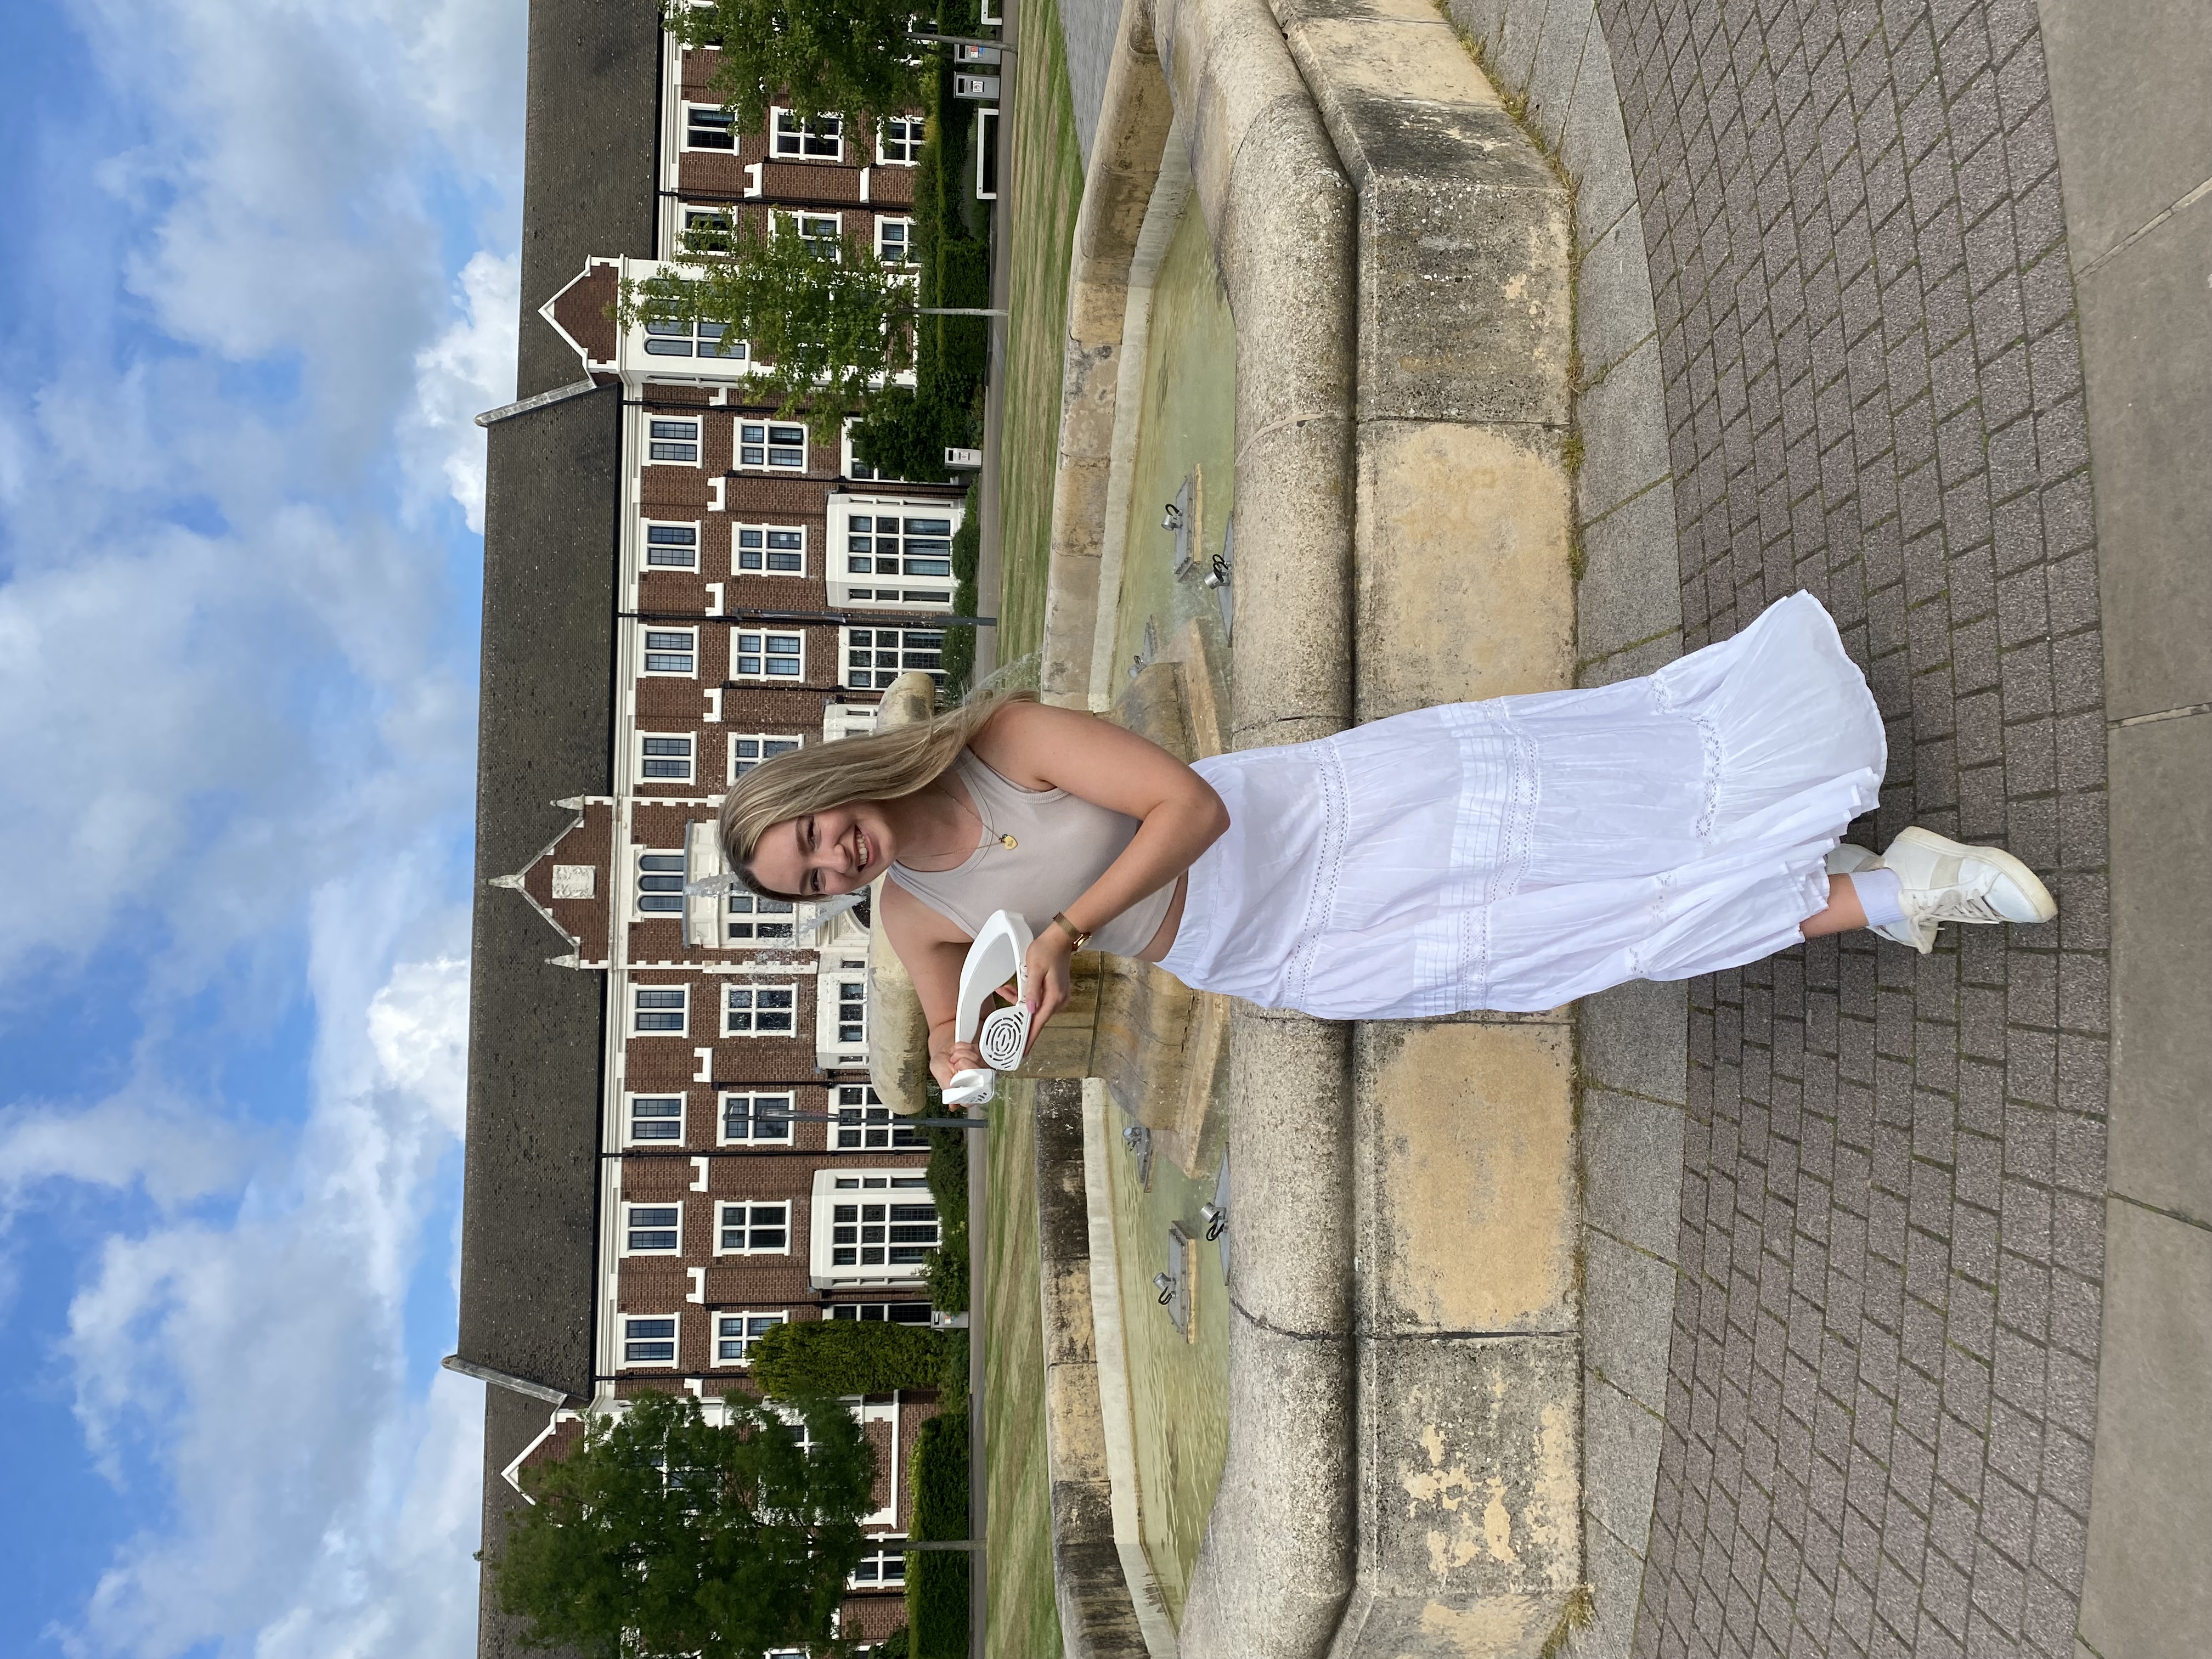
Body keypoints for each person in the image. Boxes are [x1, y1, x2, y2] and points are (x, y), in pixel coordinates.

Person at [727, 592, 2056, 1087]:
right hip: (1283, 950)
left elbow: (1193, 806)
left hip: (1317, 823)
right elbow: (958, 1037)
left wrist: (1067, 934)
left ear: (817, 788)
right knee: (1569, 936)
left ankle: (1867, 874)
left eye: (817, 838)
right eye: (815, 882)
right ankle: (1888, 893)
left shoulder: (1002, 736)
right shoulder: (907, 912)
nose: (839, 862)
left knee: (1583, 805)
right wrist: (975, 1049)